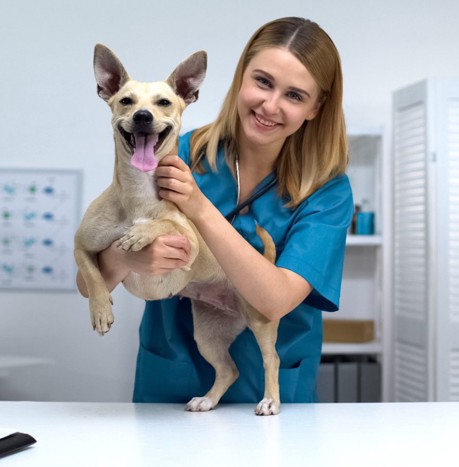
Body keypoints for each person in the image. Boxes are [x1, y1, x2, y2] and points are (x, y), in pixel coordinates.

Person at [78, 16, 353, 404]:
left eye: (294, 95)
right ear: (241, 77)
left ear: (315, 107)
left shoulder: (328, 191)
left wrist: (199, 207)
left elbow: (274, 300)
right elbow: (88, 283)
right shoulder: (172, 148)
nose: (270, 105)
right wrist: (128, 256)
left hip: (273, 389)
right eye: (263, 81)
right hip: (172, 379)